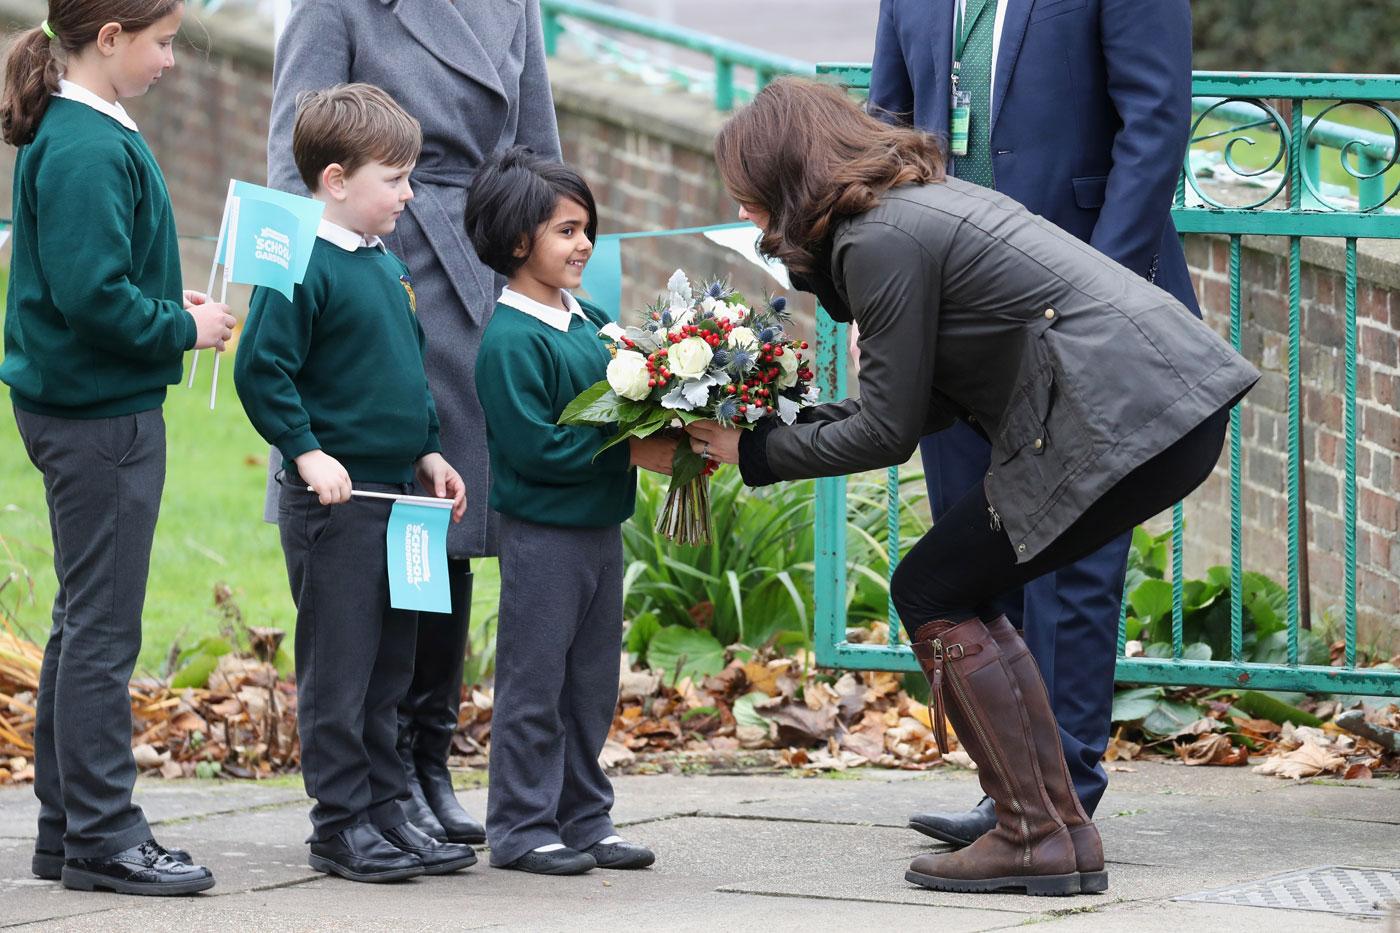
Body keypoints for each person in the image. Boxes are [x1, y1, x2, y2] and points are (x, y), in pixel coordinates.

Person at [689, 78, 1257, 895]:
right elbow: (909, 404)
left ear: (785, 178)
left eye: (748, 200)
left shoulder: (877, 239)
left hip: (1126, 414)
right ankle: (1058, 830)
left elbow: (886, 431)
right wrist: (774, 431)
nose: (748, 219)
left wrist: (751, 454)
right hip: (1156, 405)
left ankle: (1032, 832)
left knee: (932, 585)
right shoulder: (913, 206)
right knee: (965, 586)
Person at [869, 0, 1198, 845]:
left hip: (1086, 305)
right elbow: (886, 126)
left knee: (1076, 561)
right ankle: (1009, 791)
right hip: (951, 311)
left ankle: (1066, 790)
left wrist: (1096, 290)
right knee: (973, 555)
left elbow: (1154, 124)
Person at [266, 0, 562, 846]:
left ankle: (426, 758)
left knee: (453, 524)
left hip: (473, 267)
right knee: (369, 542)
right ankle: (376, 772)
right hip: (365, 276)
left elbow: (537, 151)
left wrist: (546, 265)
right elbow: (298, 160)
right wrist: (300, 286)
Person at [0, 0, 234, 896]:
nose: (171, 61)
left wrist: (161, 297)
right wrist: (184, 321)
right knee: (103, 629)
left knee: (81, 619)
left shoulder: (81, 129)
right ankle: (103, 832)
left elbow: (92, 272)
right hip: (98, 418)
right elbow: (94, 299)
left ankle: (67, 827)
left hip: (86, 408)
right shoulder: (88, 146)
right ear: (110, 39)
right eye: (163, 42)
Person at [234, 84, 474, 884]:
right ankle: (339, 825)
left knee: (389, 672)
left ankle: (385, 810)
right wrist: (306, 453)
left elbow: (408, 377)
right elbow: (262, 371)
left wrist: (432, 452)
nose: (409, 194)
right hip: (337, 508)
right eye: (394, 178)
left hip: (401, 503)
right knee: (341, 672)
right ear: (336, 179)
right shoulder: (297, 263)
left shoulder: (386, 265)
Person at [466, 147, 673, 876]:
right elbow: (535, 449)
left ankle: (586, 815)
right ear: (518, 241)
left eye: (587, 228)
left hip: (598, 535)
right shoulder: (509, 340)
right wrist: (632, 452)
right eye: (566, 230)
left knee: (591, 682)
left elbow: (629, 401)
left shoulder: (590, 321)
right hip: (542, 541)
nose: (584, 243)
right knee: (535, 681)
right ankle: (521, 824)